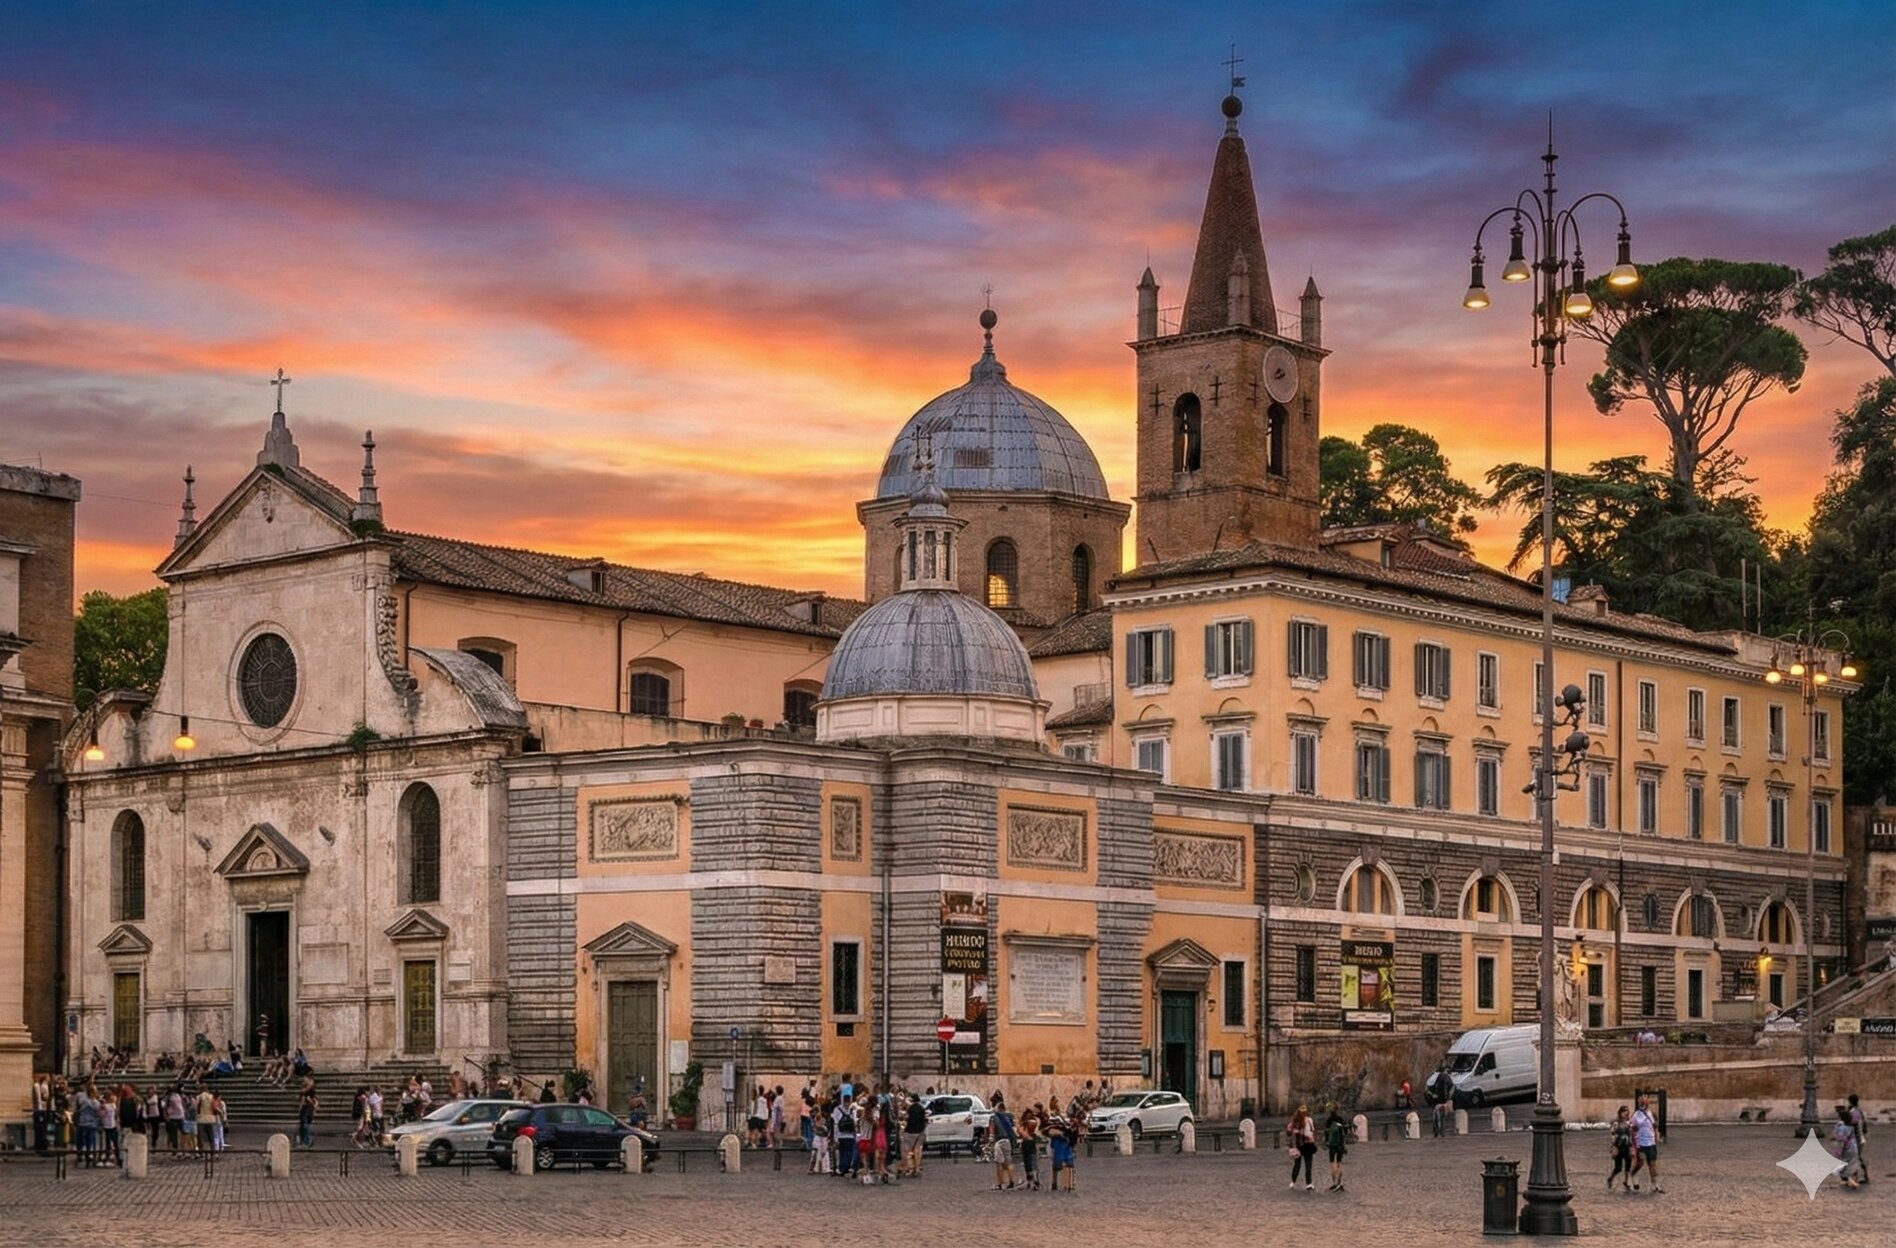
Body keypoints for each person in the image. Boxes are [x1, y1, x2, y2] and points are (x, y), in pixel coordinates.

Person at [1630, 1094, 1662, 1193]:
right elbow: (1631, 1126)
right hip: (1641, 1143)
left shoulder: (1652, 1113)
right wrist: (1634, 1130)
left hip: (1651, 1142)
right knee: (1642, 1161)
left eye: (1645, 1102)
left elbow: (1655, 1126)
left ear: (1648, 1103)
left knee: (1652, 1164)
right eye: (1641, 1102)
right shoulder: (1636, 1115)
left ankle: (1654, 1184)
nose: (1643, 1104)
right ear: (1639, 1103)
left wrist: (1657, 1136)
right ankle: (1633, 1173)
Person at [988, 1095, 1017, 1190]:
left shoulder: (994, 1118)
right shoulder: (1009, 1117)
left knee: (999, 1163)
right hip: (1008, 1141)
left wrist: (991, 1139)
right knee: (1008, 1163)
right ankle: (1011, 1181)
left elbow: (992, 1130)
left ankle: (999, 1183)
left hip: (999, 1142)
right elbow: (1014, 1129)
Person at [1833, 1105, 1864, 1190]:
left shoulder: (1842, 1128)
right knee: (1851, 1164)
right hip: (1854, 1147)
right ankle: (1852, 1179)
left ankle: (1850, 1181)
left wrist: (1837, 1152)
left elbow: (1841, 1141)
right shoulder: (1850, 1127)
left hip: (1847, 1148)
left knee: (1842, 1164)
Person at [1287, 1104, 1317, 1191]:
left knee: (1301, 1165)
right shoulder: (1303, 1121)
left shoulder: (1297, 1121)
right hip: (1305, 1145)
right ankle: (1307, 1183)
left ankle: (1296, 1182)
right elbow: (1312, 1131)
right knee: (1305, 1165)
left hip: (1301, 1145)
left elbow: (1289, 1131)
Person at [1323, 1102, 1349, 1193]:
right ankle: (1339, 1182)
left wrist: (1326, 1141)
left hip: (1332, 1144)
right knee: (1339, 1162)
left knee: (1332, 1162)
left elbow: (1326, 1132)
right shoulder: (1340, 1119)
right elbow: (1345, 1131)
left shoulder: (1329, 1120)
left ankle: (1334, 1182)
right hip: (1340, 1143)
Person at [1047, 1111, 1076, 1193]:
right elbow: (1051, 1133)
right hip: (1059, 1148)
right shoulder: (1054, 1130)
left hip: (1063, 1149)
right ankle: (1055, 1183)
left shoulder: (1067, 1129)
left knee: (1066, 1166)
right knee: (1057, 1167)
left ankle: (1068, 1185)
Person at [1607, 1105, 1635, 1191]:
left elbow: (1631, 1135)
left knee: (1628, 1165)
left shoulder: (1629, 1123)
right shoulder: (1616, 1123)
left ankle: (1626, 1181)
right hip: (1619, 1147)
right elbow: (1612, 1134)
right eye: (1624, 1111)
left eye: (1627, 1111)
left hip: (1627, 1146)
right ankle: (1610, 1178)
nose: (1626, 1113)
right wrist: (1613, 1146)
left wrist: (1632, 1147)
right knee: (1618, 1168)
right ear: (1620, 1113)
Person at [831, 1096, 859, 1178]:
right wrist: (855, 1135)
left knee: (842, 1153)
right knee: (849, 1153)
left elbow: (835, 1124)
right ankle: (846, 1167)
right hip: (849, 1135)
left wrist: (835, 1137)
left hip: (841, 1135)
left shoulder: (837, 1109)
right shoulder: (852, 1109)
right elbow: (854, 1122)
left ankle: (843, 1168)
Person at [901, 1093, 927, 1178]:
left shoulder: (910, 1109)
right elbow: (924, 1119)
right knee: (918, 1151)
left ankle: (910, 1168)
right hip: (920, 1131)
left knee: (908, 1151)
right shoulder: (921, 1108)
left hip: (910, 1131)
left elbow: (906, 1119)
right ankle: (917, 1168)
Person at [1847, 1094, 1870, 1185]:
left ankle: (1857, 1177)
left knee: (1856, 1157)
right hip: (1860, 1138)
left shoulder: (1853, 1112)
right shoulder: (1860, 1111)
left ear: (1850, 1102)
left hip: (1856, 1138)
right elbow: (1864, 1125)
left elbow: (1852, 1125)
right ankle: (1861, 1176)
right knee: (1857, 1157)